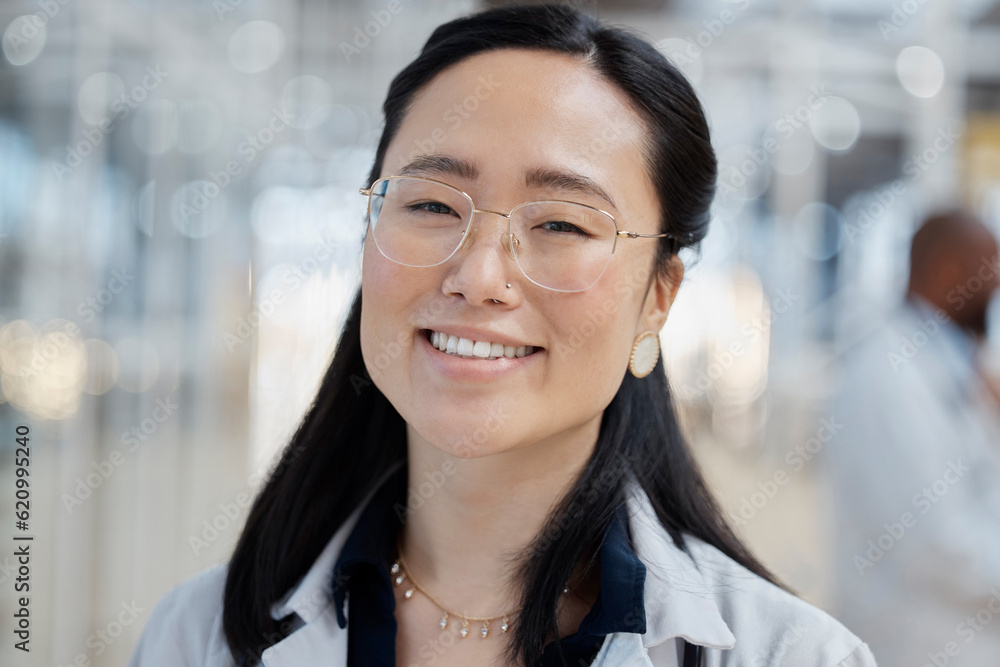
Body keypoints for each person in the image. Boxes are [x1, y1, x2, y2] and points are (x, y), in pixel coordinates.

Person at [128, 4, 875, 666]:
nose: (478, 275)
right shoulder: (199, 637)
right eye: (430, 206)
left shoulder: (795, 655)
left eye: (560, 223)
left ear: (657, 296)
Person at [823, 210, 1000, 666]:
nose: (997, 283)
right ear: (947, 270)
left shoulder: (948, 367)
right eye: (989, 265)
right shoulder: (887, 378)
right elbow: (941, 546)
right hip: (919, 644)